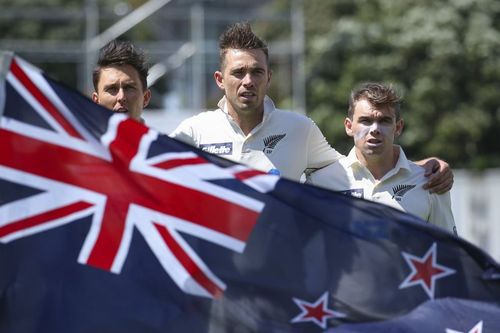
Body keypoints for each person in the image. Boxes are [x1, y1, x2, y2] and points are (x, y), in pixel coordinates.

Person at [169, 22, 453, 193]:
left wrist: (419, 168)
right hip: (212, 272)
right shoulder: (194, 132)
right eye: (238, 73)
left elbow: (356, 169)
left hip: (274, 275)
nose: (248, 81)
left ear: (269, 77)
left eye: (257, 72)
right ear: (220, 79)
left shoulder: (299, 129)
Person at [308, 82, 456, 233]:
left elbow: (448, 251)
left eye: (384, 121)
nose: (375, 129)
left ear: (398, 127)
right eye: (365, 120)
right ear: (349, 126)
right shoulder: (320, 182)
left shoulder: (431, 182)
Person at [92, 39, 151, 123]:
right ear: (96, 101)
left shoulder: (158, 136)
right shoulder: (78, 135)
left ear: (145, 98)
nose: (121, 97)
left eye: (129, 88)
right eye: (112, 88)